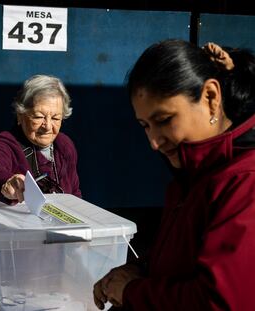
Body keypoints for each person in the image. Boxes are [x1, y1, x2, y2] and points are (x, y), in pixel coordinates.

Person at [93, 39, 255, 310]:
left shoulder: (245, 181)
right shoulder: (188, 179)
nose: (154, 142)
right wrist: (136, 272)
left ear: (211, 98)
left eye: (165, 120)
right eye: (145, 126)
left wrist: (132, 291)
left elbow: (220, 302)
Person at [0, 74, 81, 204]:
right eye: (38, 117)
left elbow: (75, 194)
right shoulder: (6, 142)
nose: (47, 126)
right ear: (20, 116)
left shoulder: (65, 145)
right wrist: (7, 182)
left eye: (55, 118)